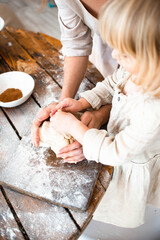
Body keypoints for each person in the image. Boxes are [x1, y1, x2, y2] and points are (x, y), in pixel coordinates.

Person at [49, 0, 160, 228]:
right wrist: (82, 102)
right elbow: (111, 84)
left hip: (132, 164)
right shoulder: (135, 71)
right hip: (116, 148)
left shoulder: (153, 108)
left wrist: (74, 128)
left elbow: (115, 152)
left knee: (124, 216)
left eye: (125, 54)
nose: (116, 56)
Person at [31, 0, 117, 149]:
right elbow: (76, 42)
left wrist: (100, 117)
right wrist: (62, 106)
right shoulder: (120, 62)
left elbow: (141, 88)